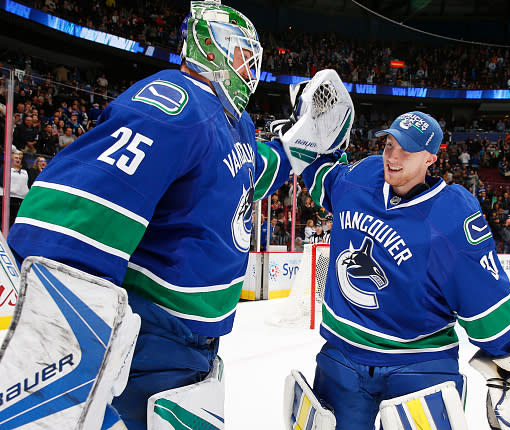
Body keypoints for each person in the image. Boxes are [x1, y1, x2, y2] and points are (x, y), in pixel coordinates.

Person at [3, 2, 299, 429]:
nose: (250, 70)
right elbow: (82, 201)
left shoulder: (235, 123)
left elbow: (252, 172)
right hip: (154, 335)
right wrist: (62, 323)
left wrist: (298, 151)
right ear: (210, 48)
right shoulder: (177, 104)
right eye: (242, 55)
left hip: (195, 344)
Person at [292, 111, 510, 429]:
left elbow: (483, 294)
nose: (392, 156)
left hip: (420, 361)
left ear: (431, 157)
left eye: (406, 149)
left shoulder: (451, 216)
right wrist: (306, 141)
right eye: (388, 144)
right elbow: (324, 179)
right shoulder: (360, 177)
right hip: (343, 354)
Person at [0, 150, 30, 227]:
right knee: (5, 220)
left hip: (21, 200)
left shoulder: (25, 171)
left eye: (20, 158)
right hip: (8, 198)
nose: (18, 160)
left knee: (15, 221)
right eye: (16, 158)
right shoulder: (5, 169)